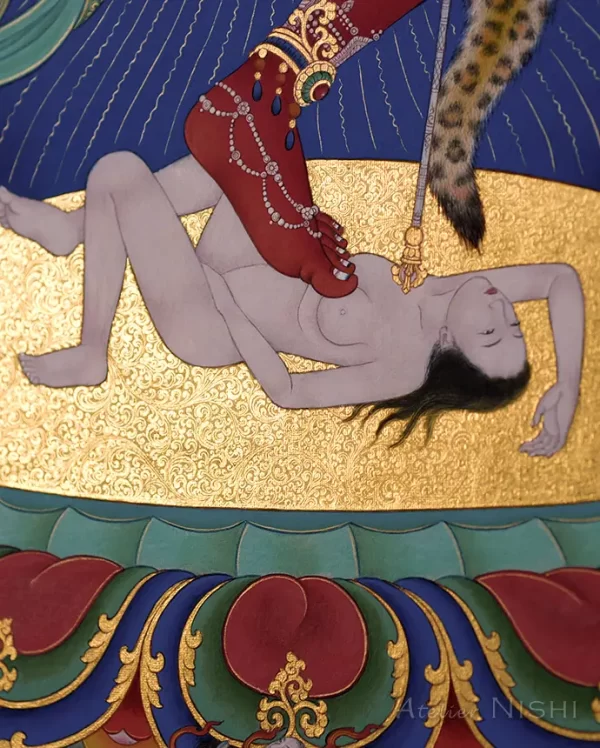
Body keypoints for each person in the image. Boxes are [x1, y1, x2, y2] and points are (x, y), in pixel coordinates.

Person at [0, 147, 583, 458]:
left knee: (118, 171)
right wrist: (568, 386)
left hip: (211, 320)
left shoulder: (405, 367)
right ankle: (75, 229)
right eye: (513, 323)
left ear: (452, 346)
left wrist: (229, 309)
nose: (501, 309)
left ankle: (91, 352)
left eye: (491, 332)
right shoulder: (443, 291)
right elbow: (559, 278)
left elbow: (289, 392)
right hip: (242, 257)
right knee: (255, 148)